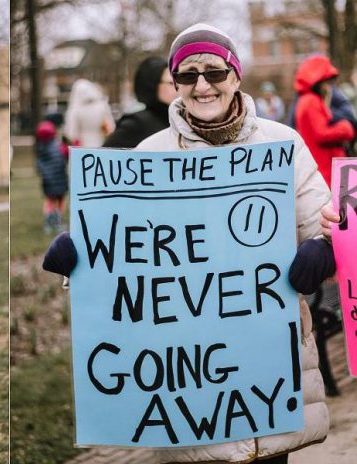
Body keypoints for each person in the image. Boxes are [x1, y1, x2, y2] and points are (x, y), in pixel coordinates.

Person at [44, 23, 335, 464]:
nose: (203, 85)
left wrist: (325, 248)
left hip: (267, 372)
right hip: (191, 392)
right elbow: (125, 256)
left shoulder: (282, 144)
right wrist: (81, 259)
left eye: (215, 72)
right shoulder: (148, 156)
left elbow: (325, 223)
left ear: (236, 76)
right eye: (187, 74)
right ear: (175, 83)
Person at [294, 54, 355, 186]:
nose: (329, 88)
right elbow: (321, 133)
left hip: (332, 168)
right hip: (329, 170)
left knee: (346, 206)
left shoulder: (307, 100)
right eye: (326, 83)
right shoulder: (311, 101)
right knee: (343, 206)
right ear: (318, 81)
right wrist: (346, 127)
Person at [103, 56, 177, 148]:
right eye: (171, 83)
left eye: (178, 81)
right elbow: (105, 158)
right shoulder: (136, 124)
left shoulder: (178, 119)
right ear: (152, 85)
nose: (177, 88)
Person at [35, 120, 68, 233]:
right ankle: (58, 221)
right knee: (60, 201)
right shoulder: (59, 146)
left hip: (48, 182)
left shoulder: (40, 149)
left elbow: (38, 166)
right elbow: (66, 155)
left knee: (49, 201)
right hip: (60, 181)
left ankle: (48, 223)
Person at [64, 78, 115, 147]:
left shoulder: (76, 110)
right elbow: (110, 128)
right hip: (101, 143)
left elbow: (71, 133)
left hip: (83, 146)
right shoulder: (102, 106)